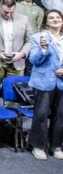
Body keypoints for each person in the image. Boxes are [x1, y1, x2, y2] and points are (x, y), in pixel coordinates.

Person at [27, 9, 63, 160]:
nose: (55, 19)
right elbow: (33, 61)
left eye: (58, 17)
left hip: (61, 83)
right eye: (51, 18)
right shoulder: (38, 37)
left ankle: (56, 145)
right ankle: (39, 145)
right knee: (41, 115)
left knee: (60, 116)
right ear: (46, 22)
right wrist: (44, 50)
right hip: (43, 81)